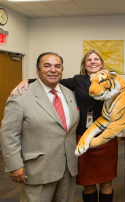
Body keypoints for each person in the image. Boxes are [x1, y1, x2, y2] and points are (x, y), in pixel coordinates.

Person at [11, 49, 117, 202]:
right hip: (83, 138)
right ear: (84, 65)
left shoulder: (112, 79)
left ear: (101, 63)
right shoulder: (78, 80)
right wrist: (27, 81)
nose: (93, 62)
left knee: (107, 181)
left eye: (96, 59)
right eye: (89, 60)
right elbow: (51, 80)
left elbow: (124, 99)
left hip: (106, 137)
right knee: (88, 182)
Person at [0, 52, 80, 201]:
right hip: (38, 170)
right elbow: (9, 134)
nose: (53, 69)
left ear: (62, 70)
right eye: (47, 65)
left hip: (68, 168)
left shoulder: (69, 94)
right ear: (37, 70)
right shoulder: (21, 96)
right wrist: (14, 165)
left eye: (57, 66)